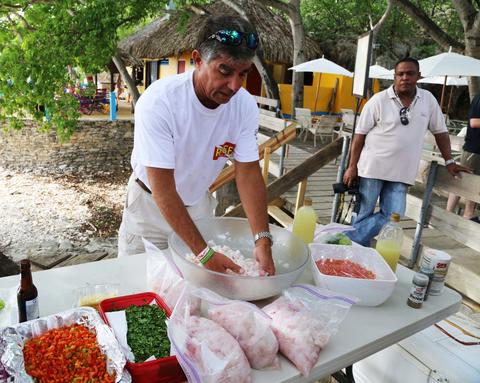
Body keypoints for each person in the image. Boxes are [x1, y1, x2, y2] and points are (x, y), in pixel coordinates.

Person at [118, 16, 275, 275]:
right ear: (198, 60)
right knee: (139, 286)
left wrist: (262, 239)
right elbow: (163, 188)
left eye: (243, 74)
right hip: (150, 208)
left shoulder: (244, 105)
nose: (235, 85)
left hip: (198, 204)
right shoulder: (160, 102)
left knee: (197, 291)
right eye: (224, 71)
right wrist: (203, 253)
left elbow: (247, 172)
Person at [343, 57, 471, 247]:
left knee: (393, 216)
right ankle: (354, 256)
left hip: (402, 172)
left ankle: (346, 241)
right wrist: (352, 166)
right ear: (394, 77)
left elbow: (441, 133)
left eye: (410, 73)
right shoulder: (378, 100)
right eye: (400, 74)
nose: (405, 78)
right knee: (363, 214)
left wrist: (450, 161)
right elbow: (359, 136)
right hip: (371, 169)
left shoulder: (428, 100)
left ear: (418, 76)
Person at [446, 93, 480, 221]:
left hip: (475, 149)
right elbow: (474, 122)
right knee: (465, 181)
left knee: (472, 182)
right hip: (474, 149)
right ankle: (459, 214)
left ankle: (467, 214)